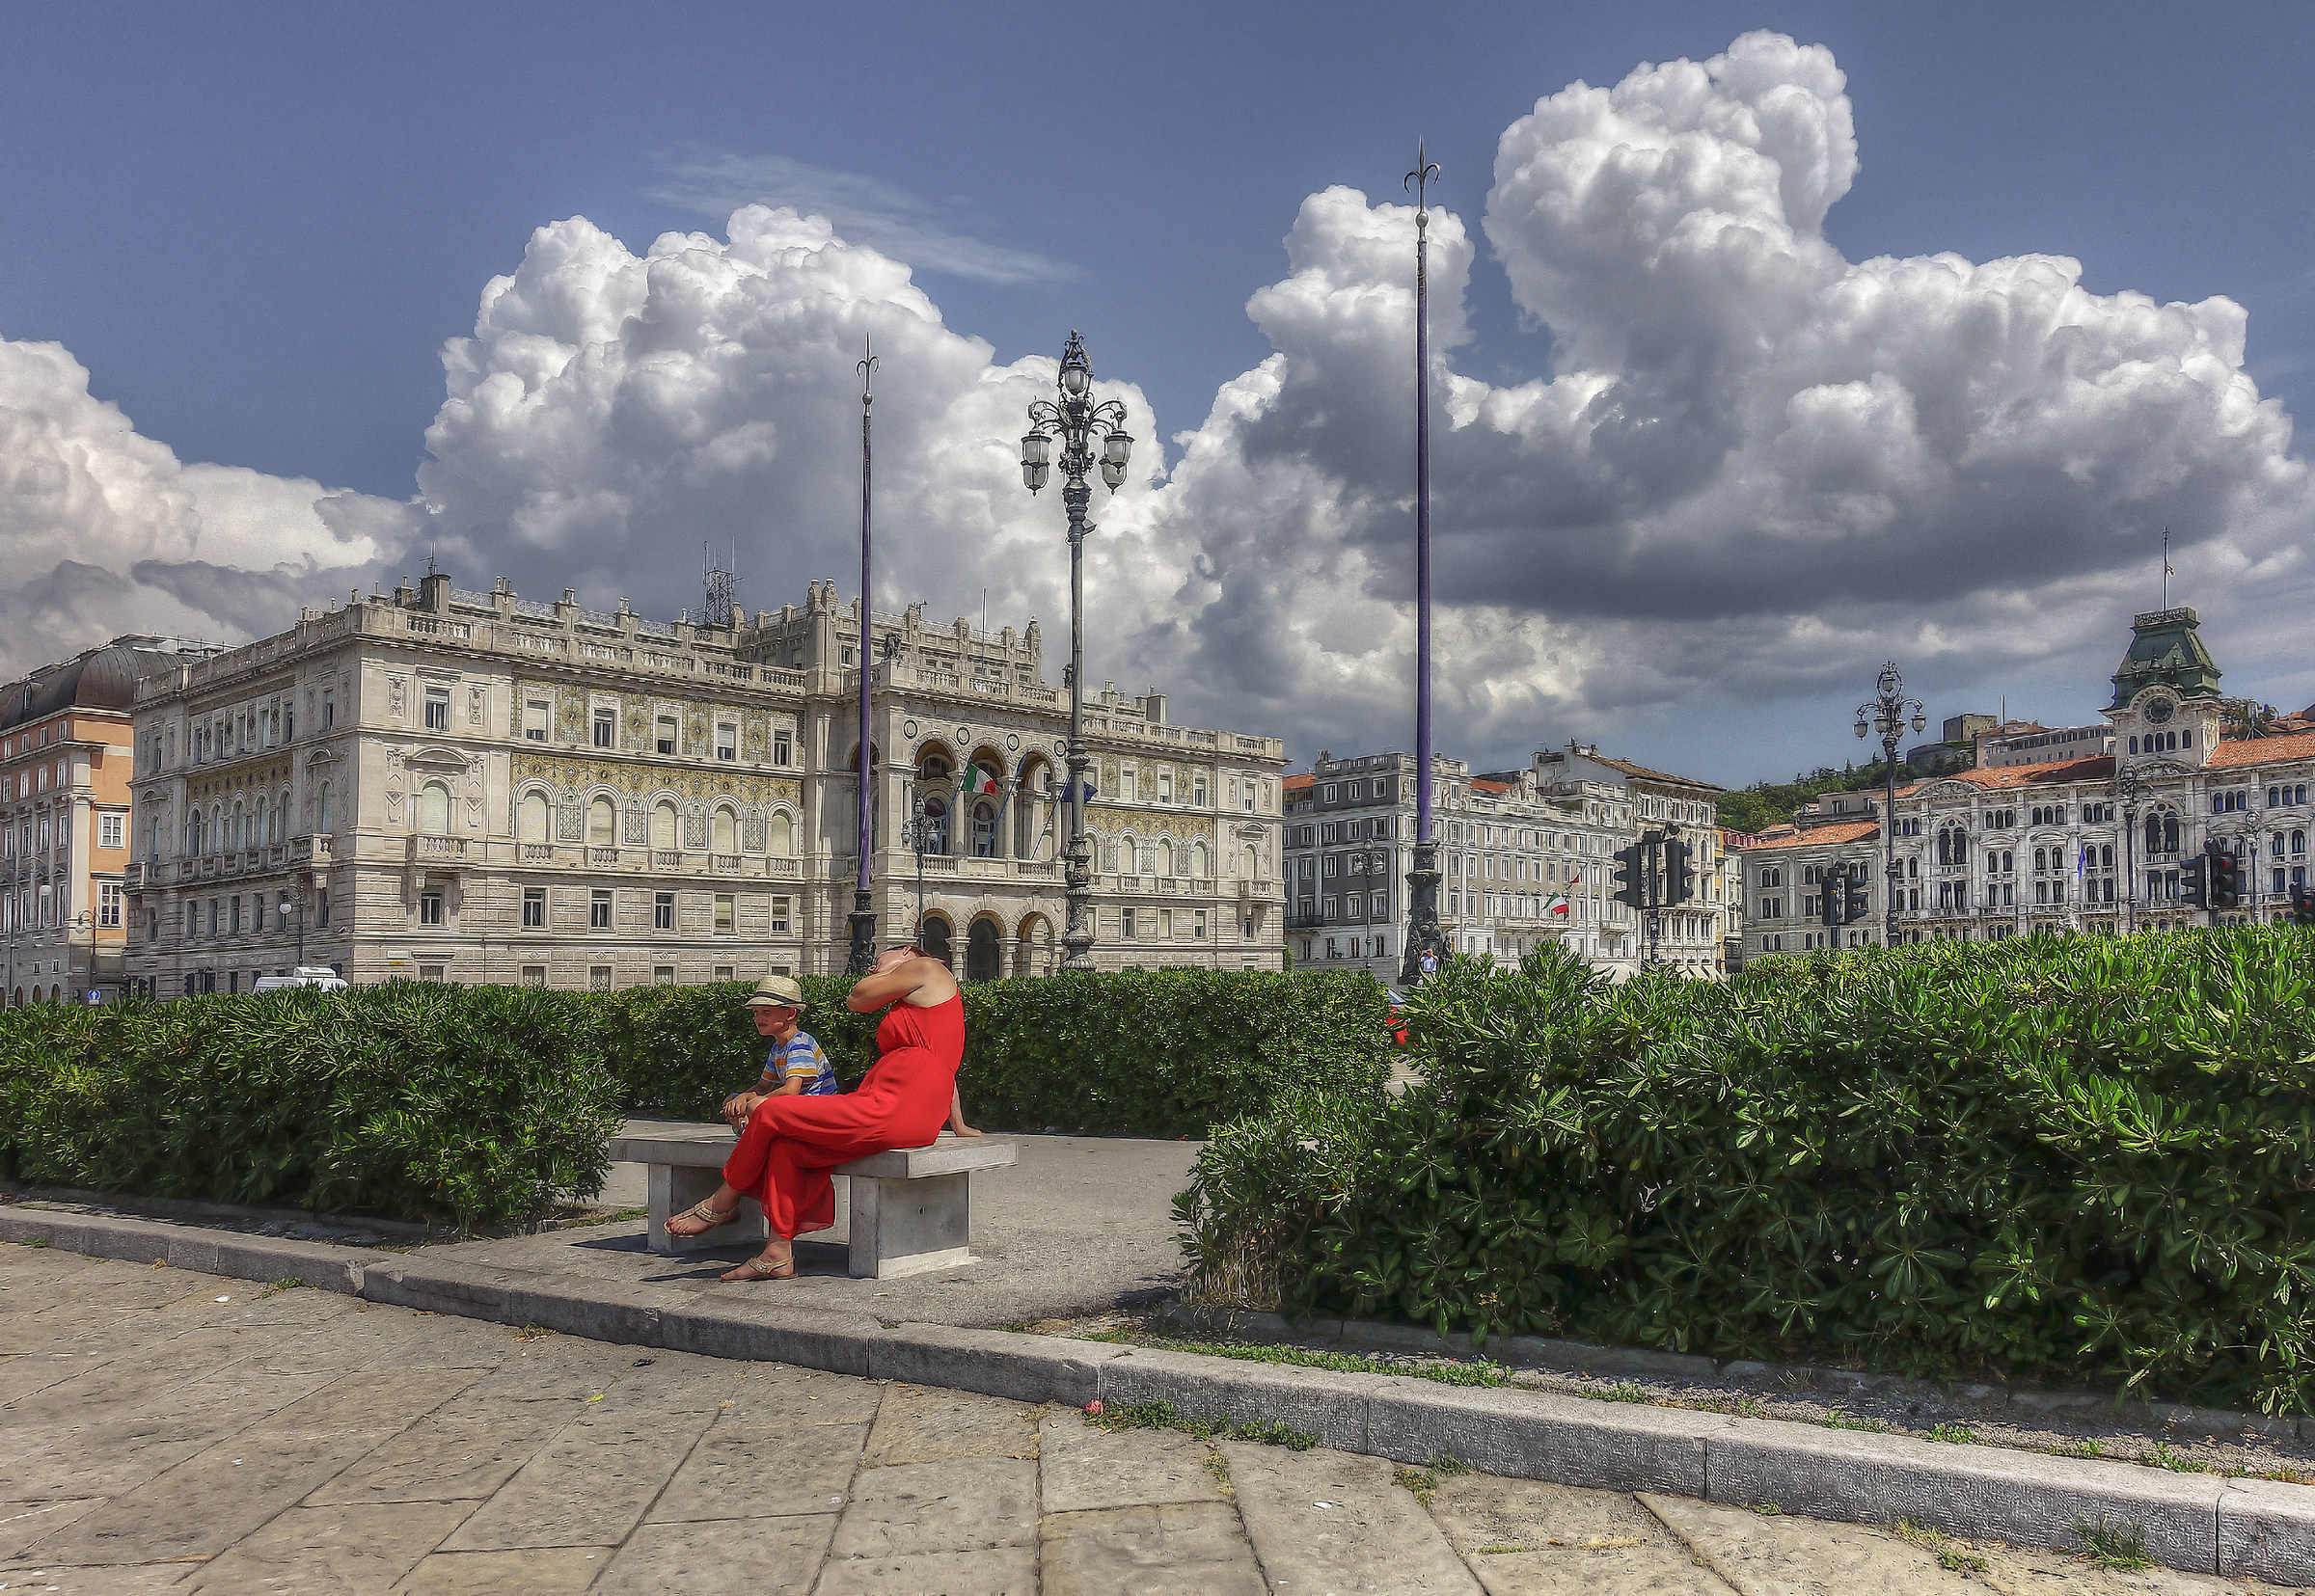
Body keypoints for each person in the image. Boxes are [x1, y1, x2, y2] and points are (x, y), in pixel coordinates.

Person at [665, 946, 964, 1281]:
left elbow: (858, 999)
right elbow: (944, 1068)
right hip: (904, 1106)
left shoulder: (925, 967)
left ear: (907, 951)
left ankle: (722, 1201)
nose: (872, 966)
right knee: (787, 1147)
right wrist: (959, 1125)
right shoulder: (927, 1001)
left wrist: (884, 973)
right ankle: (778, 1252)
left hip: (893, 1104)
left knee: (772, 1111)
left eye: (879, 959)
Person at [715, 975, 836, 1133]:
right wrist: (742, 1098)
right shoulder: (778, 1047)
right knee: (731, 1100)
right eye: (756, 1012)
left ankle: (752, 1129)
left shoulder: (800, 1044)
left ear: (790, 1014)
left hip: (816, 1109)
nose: (758, 1017)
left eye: (766, 1011)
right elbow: (763, 1086)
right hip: (797, 1106)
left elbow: (791, 1090)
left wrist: (751, 1103)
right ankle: (749, 1127)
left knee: (755, 1105)